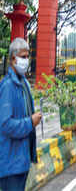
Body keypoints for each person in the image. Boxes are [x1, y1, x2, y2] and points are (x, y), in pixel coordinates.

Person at [0, 38, 41, 191]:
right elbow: (5, 125)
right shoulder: (8, 86)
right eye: (23, 57)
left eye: (27, 56)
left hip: (22, 160)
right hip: (10, 165)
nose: (26, 60)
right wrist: (30, 122)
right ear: (13, 59)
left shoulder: (23, 83)